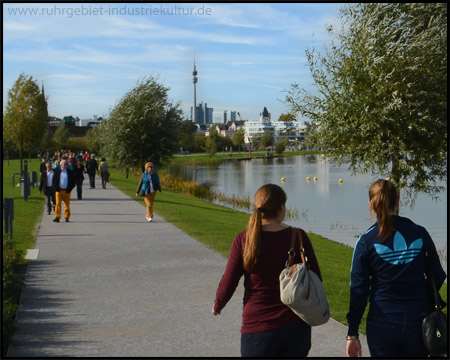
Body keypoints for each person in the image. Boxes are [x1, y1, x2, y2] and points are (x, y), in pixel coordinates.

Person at [212, 184, 322, 357]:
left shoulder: (243, 239)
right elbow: (316, 278)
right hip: (296, 326)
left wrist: (219, 303)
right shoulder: (298, 236)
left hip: (257, 328)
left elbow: (230, 279)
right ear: (281, 207)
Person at [346, 179, 446, 358]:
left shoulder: (366, 241)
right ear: (398, 200)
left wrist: (352, 332)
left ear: (371, 203)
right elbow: (438, 275)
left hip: (382, 321)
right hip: (418, 320)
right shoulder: (419, 233)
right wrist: (422, 298)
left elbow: (358, 289)